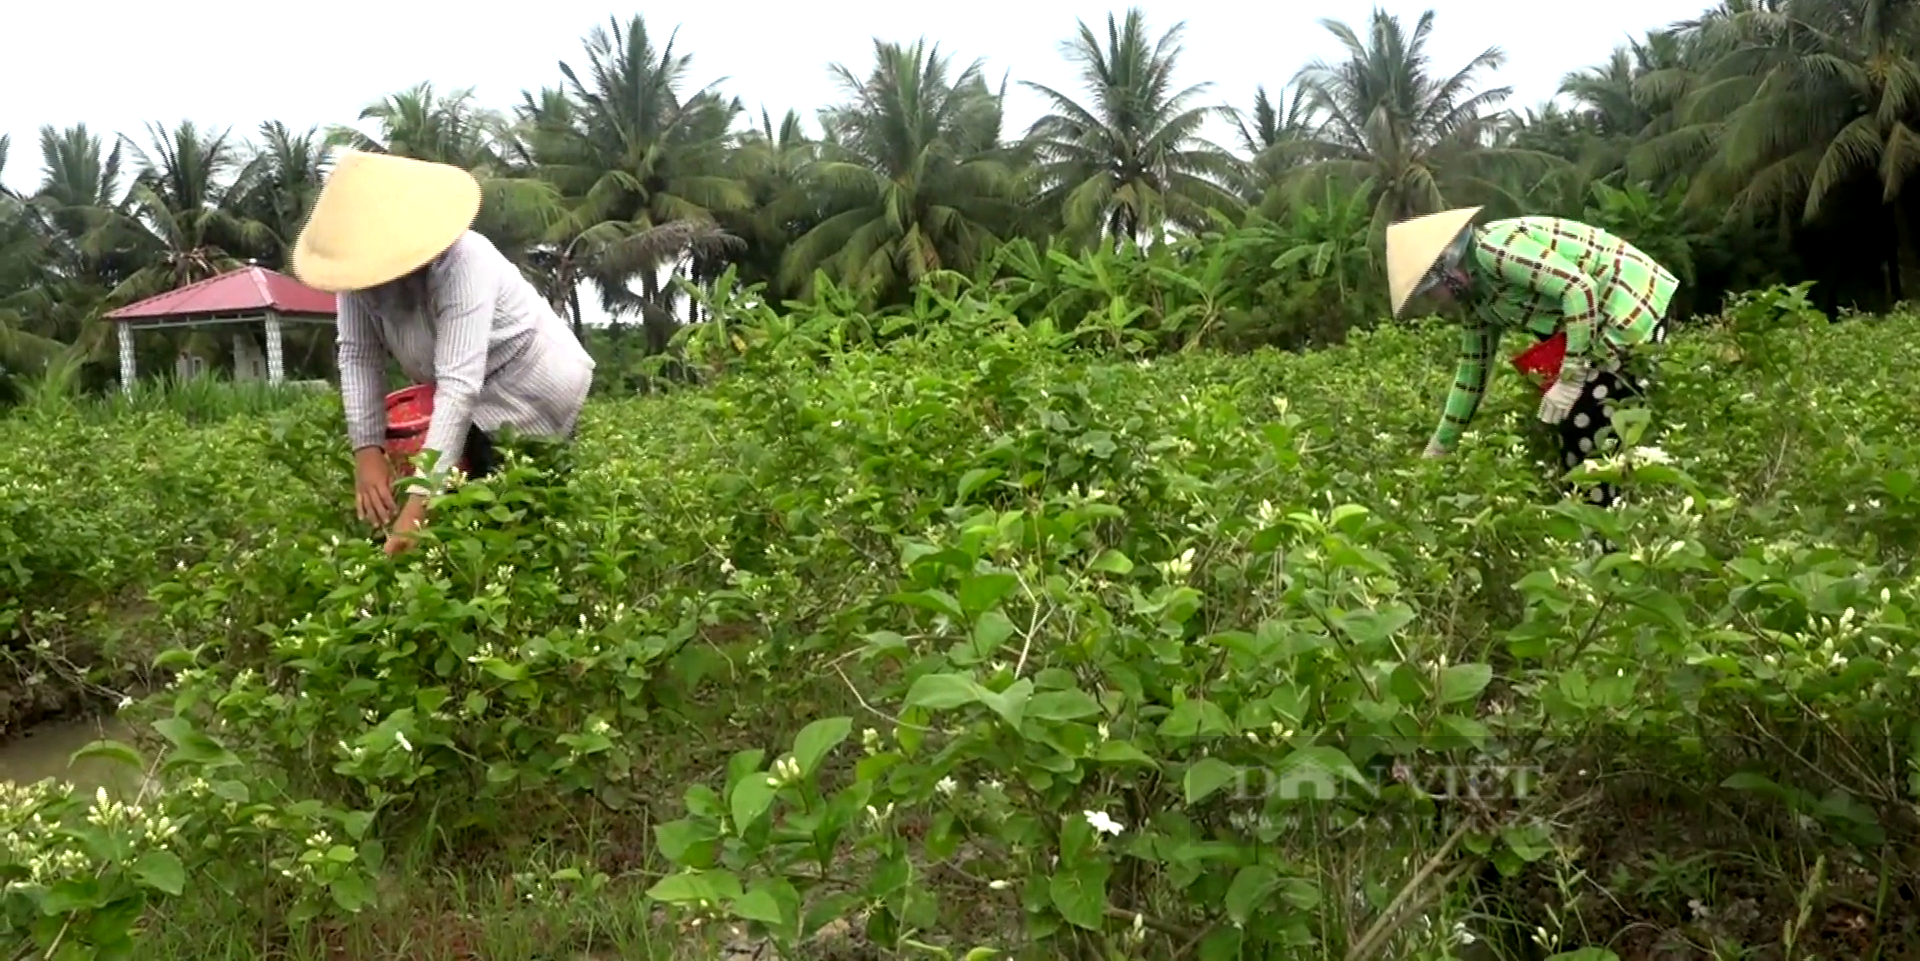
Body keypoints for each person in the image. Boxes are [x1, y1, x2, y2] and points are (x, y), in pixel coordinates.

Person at [290, 150, 596, 555]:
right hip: (472, 392)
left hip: (533, 385)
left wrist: (416, 511)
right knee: (466, 512)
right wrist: (367, 451)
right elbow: (358, 357)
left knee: (520, 511)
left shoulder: (465, 261)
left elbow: (458, 387)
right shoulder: (356, 275)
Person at [1386, 207, 1678, 507]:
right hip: (1590, 325)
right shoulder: (1479, 303)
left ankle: (1613, 529)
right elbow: (1471, 377)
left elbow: (1578, 290)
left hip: (1629, 301)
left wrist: (1571, 379)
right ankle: (1607, 521)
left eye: (1432, 293)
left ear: (1445, 269)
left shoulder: (1494, 250)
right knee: (1578, 428)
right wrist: (1439, 447)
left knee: (1590, 427)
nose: (1437, 303)